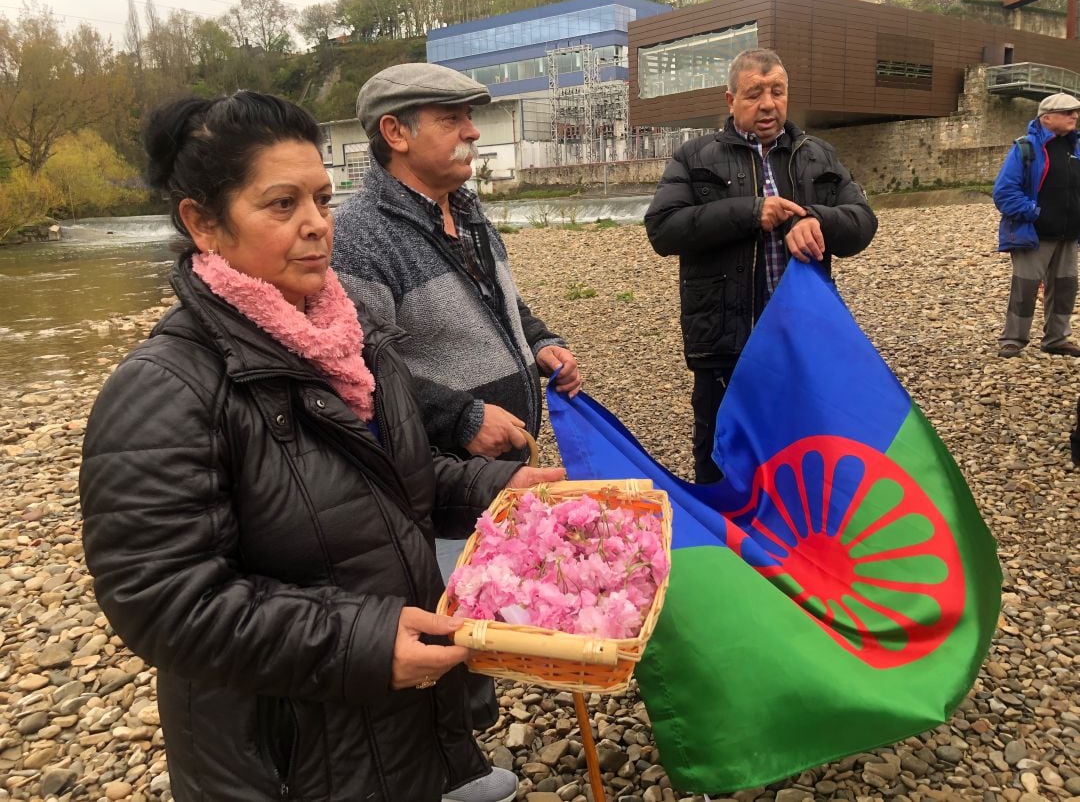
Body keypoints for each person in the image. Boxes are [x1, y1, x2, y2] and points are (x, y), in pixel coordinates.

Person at [78, 91, 566, 802]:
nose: (316, 227)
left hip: (394, 720)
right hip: (286, 758)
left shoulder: (350, 340)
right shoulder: (166, 388)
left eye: (322, 199)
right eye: (281, 205)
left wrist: (494, 489)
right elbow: (162, 600)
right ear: (203, 224)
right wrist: (358, 643)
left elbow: (393, 479)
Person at [331, 62, 582, 576]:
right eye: (451, 119)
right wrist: (459, 417)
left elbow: (503, 304)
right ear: (395, 132)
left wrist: (538, 343)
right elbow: (353, 370)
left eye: (469, 118)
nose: (471, 131)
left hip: (503, 471)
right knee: (455, 622)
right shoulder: (358, 236)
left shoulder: (467, 212)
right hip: (434, 493)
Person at [644, 48, 877, 483]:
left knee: (804, 458)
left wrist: (815, 218)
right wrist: (750, 213)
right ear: (730, 100)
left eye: (777, 92)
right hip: (725, 345)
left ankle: (793, 544)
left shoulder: (818, 155)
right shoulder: (694, 157)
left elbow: (863, 223)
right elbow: (663, 229)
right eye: (754, 94)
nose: (768, 104)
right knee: (722, 460)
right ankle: (728, 546)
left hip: (802, 345)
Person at [993, 91, 1080, 359]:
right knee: (1025, 289)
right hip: (1033, 235)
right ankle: (1013, 340)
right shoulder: (1025, 148)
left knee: (1065, 288)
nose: (1075, 116)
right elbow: (1004, 193)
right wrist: (1035, 213)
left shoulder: (1076, 147)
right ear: (1047, 117)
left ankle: (1056, 339)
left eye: (1076, 112)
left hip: (1069, 235)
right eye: (1068, 112)